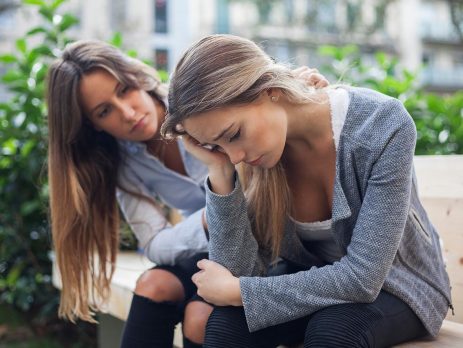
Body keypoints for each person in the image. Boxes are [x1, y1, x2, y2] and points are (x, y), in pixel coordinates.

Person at [161, 34, 453, 348]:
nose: (234, 155)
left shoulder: (380, 123)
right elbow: (237, 272)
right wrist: (219, 172)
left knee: (334, 331)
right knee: (226, 324)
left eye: (232, 135)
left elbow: (363, 278)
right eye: (215, 145)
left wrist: (240, 291)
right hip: (312, 282)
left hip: (398, 287)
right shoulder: (252, 157)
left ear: (269, 90)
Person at [46, 39, 328, 348]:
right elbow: (154, 243)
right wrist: (211, 218)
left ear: (136, 77)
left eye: (124, 90)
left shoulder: (200, 106)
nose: (127, 112)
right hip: (211, 248)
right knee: (154, 284)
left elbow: (265, 103)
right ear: (93, 126)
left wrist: (299, 94)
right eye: (104, 111)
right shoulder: (124, 164)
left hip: (264, 247)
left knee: (199, 318)